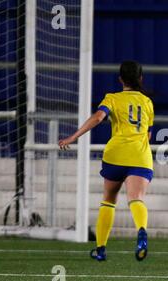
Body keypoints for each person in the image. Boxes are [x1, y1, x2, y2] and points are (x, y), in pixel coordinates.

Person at [59, 61, 154, 262]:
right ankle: (142, 230)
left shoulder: (112, 98)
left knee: (109, 199)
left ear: (120, 79)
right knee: (136, 198)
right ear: (141, 79)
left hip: (116, 154)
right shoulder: (147, 102)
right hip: (140, 155)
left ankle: (101, 249)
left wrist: (74, 136)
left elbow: (98, 117)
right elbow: (148, 134)